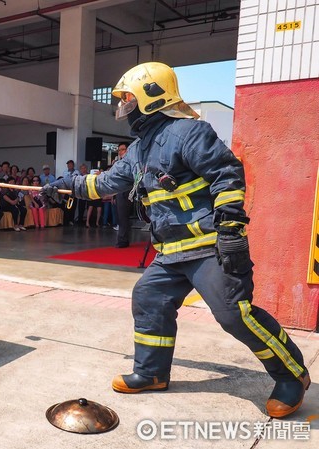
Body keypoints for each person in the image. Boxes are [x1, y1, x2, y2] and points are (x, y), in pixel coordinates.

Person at [42, 61, 309, 418]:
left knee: (234, 314)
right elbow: (104, 184)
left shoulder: (189, 133)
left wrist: (230, 229)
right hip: (171, 253)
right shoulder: (137, 150)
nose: (123, 107)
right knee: (149, 296)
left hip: (208, 247)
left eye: (128, 99)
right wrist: (64, 184)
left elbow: (226, 174)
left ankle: (292, 374)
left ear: (151, 97)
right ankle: (152, 373)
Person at [114, 143, 132, 248]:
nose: (121, 152)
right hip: (120, 191)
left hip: (127, 190)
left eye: (123, 149)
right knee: (121, 217)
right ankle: (122, 239)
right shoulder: (119, 162)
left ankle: (122, 240)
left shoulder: (129, 162)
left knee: (123, 216)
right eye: (119, 150)